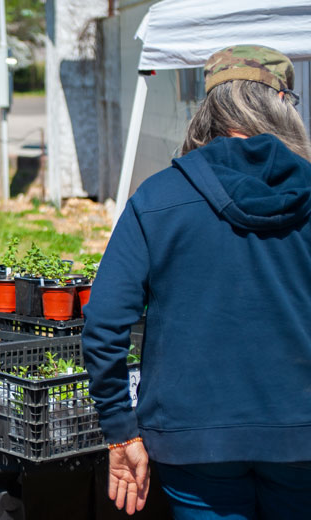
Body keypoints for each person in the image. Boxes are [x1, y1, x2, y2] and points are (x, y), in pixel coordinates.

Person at [82, 44, 311, 518]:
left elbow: (104, 324)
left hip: (193, 439)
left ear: (207, 107)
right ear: (284, 107)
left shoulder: (160, 195)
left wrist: (121, 431)